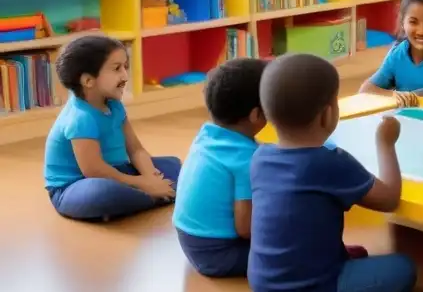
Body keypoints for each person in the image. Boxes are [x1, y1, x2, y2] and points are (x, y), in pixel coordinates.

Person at [248, 53, 416, 292]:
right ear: (328, 114)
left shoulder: (260, 158)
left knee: (355, 251)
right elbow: (389, 199)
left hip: (265, 291)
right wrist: (386, 144)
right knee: (404, 268)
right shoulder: (329, 162)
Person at [43, 35, 180, 221]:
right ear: (88, 81)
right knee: (102, 194)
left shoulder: (114, 104)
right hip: (76, 186)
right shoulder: (80, 117)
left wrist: (150, 175)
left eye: (125, 67)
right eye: (117, 69)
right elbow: (94, 170)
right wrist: (143, 183)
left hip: (118, 170)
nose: (125, 75)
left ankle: (152, 194)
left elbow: (136, 149)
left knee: (174, 166)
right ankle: (157, 195)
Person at [173, 58, 267, 278]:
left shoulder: (207, 134)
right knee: (299, 241)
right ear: (256, 115)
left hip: (190, 240)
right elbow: (246, 229)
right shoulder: (247, 159)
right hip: (219, 254)